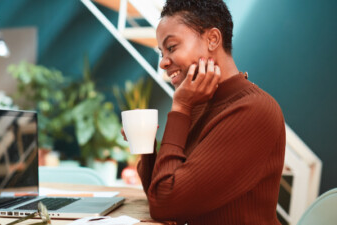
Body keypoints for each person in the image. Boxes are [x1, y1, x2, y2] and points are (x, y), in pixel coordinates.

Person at [122, 0, 286, 224]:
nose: (163, 63)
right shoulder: (198, 103)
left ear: (213, 39)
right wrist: (147, 145)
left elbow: (166, 204)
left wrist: (180, 108)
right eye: (161, 53)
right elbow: (158, 193)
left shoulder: (254, 111)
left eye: (171, 48)